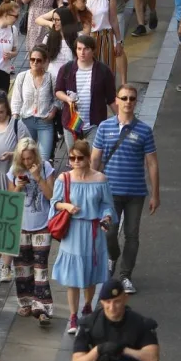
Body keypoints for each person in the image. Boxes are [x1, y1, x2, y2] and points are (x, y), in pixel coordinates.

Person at [91, 84, 159, 295]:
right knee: (109, 231)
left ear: (135, 102)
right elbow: (95, 158)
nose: (128, 102)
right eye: (124, 98)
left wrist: (155, 194)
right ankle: (113, 255)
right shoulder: (104, 127)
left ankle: (125, 276)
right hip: (109, 192)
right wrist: (90, 187)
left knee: (132, 235)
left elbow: (152, 164)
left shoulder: (144, 130)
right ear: (117, 100)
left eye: (132, 98)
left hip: (136, 193)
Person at [50, 139, 117, 335]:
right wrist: (67, 207)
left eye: (80, 158)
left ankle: (87, 306)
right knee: (72, 278)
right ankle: (73, 316)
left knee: (90, 274)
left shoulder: (100, 179)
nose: (75, 161)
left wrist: (106, 216)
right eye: (72, 158)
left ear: (88, 159)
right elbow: (54, 203)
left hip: (93, 230)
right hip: (72, 230)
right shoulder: (64, 179)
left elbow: (107, 204)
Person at [7, 138, 55, 325]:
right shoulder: (14, 171)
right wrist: (18, 186)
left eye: (30, 158)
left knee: (40, 267)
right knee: (21, 267)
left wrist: (38, 178)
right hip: (21, 225)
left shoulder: (46, 167)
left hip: (42, 224)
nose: (27, 162)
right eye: (24, 159)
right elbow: (10, 200)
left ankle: (42, 307)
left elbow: (51, 195)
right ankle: (25, 302)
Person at [55, 33, 117, 150]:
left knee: (93, 160)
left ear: (93, 50)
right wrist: (67, 99)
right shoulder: (66, 69)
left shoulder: (104, 71)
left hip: (94, 124)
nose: (82, 52)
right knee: (75, 160)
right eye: (79, 49)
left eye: (86, 49)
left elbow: (111, 98)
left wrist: (123, 119)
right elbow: (58, 90)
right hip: (72, 124)